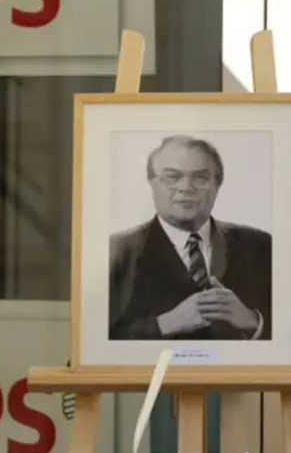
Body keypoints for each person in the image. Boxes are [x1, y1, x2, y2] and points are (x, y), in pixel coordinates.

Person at [108, 135, 272, 341]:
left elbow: (290, 339)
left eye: (200, 177)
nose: (186, 188)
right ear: (152, 184)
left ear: (217, 185)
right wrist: (163, 325)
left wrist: (252, 322)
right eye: (172, 177)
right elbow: (94, 347)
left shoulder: (261, 247)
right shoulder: (115, 252)